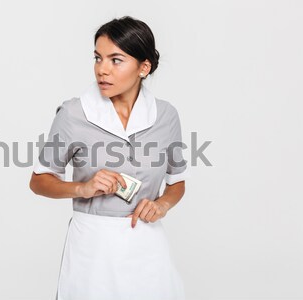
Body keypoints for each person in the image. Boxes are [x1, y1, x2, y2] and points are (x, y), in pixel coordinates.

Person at [30, 15, 188, 300]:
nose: (102, 70)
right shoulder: (73, 114)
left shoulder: (166, 116)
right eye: (97, 58)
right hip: (93, 249)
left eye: (116, 60)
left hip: (147, 246)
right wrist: (82, 188)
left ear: (144, 67)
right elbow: (39, 181)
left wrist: (162, 205)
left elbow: (177, 182)